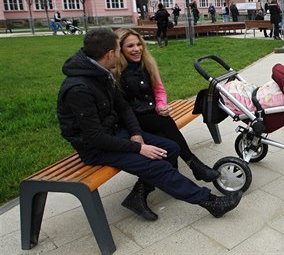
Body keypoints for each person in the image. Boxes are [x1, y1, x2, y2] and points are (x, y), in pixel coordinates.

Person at [57, 28, 242, 222]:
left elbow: (123, 108)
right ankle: (210, 202)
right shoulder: (79, 89)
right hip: (95, 148)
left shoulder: (100, 72)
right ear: (110, 54)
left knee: (170, 148)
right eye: (120, 50)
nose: (121, 55)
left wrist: (136, 134)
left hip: (114, 134)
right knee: (157, 164)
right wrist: (139, 147)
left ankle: (138, 196)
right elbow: (95, 138)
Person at [113, 27, 220, 182]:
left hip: (151, 114)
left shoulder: (147, 64)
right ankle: (194, 165)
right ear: (120, 49)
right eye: (130, 46)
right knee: (165, 125)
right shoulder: (116, 72)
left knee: (167, 138)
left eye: (139, 44)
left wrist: (161, 106)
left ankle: (168, 178)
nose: (137, 49)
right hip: (131, 120)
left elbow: (159, 90)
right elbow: (122, 107)